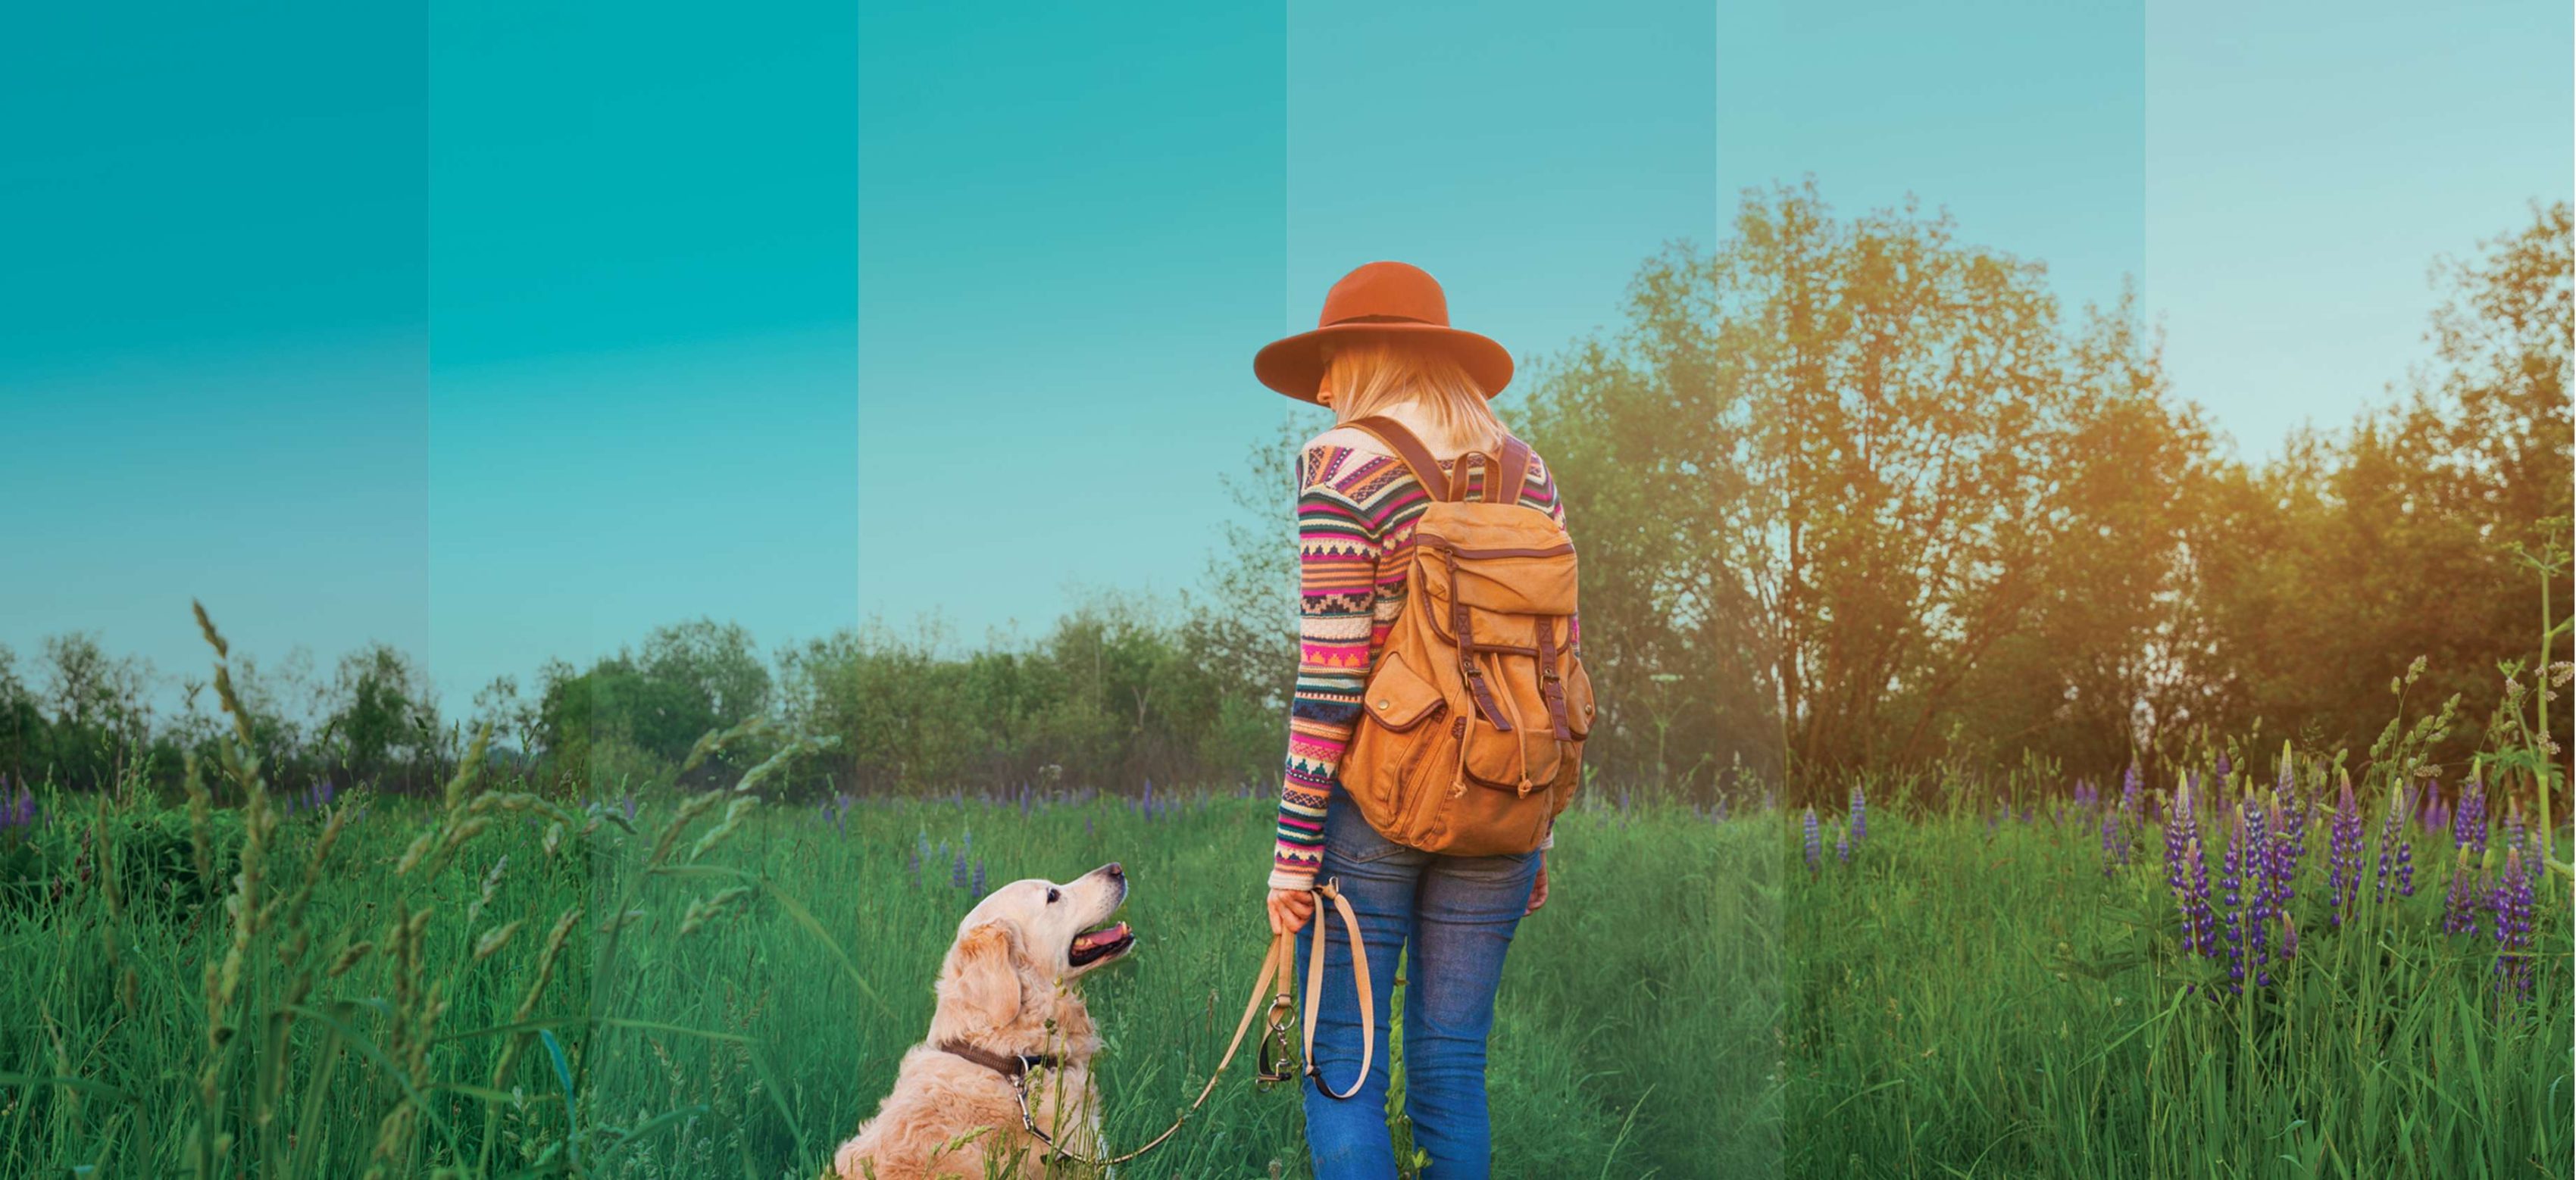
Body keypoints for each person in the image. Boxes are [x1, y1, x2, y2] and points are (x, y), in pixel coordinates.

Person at [1250, 261, 1574, 1179]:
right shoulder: (1528, 470)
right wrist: (1537, 826)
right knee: (1452, 1066)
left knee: (1344, 1066)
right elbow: (1556, 666)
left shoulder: (1341, 461)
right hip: (1504, 796)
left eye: (1330, 362)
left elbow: (1330, 672)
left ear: (1362, 357)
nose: (1320, 389)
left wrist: (1291, 852)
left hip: (1376, 803)